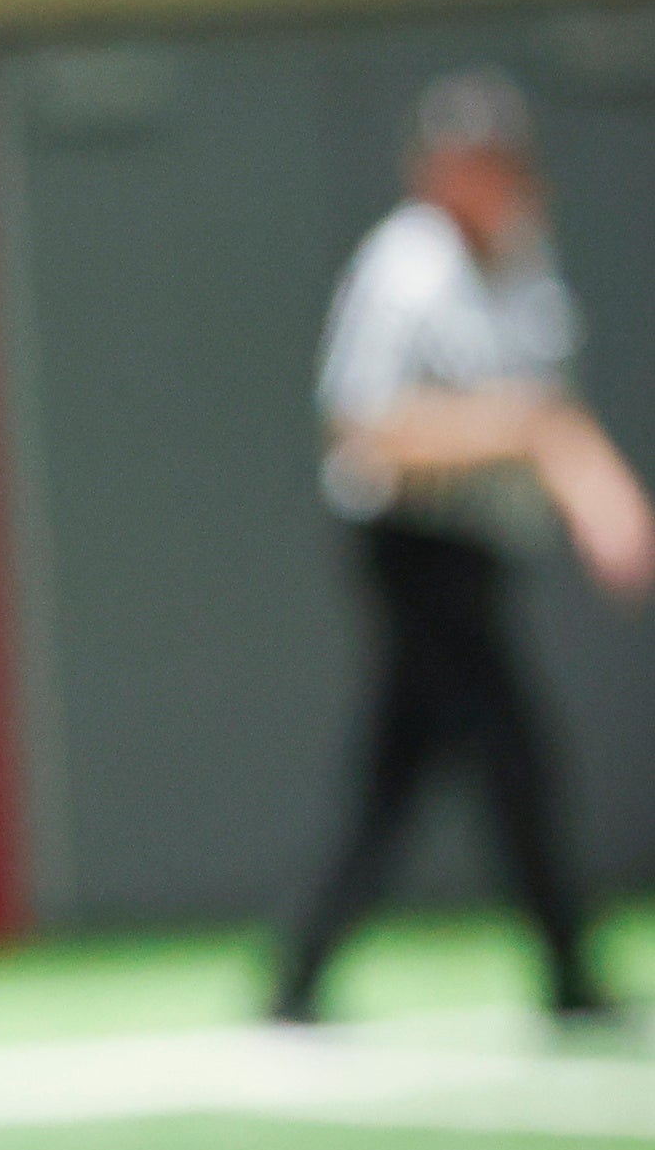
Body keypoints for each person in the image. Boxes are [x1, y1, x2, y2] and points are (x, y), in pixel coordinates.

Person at [275, 69, 655, 1025]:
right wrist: (511, 430)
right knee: (511, 750)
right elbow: (366, 428)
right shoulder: (403, 269)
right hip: (408, 543)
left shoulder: (523, 257)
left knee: (398, 773)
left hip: (480, 548)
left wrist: (601, 497)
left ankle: (300, 975)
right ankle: (568, 972)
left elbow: (547, 412)